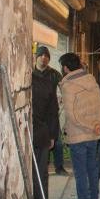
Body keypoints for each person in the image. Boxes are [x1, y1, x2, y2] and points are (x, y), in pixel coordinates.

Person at [58, 52, 100, 199]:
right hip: (93, 135)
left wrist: (92, 126)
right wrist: (98, 124)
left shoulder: (68, 86)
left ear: (65, 68)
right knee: (92, 168)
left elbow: (72, 116)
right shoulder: (91, 80)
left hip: (78, 135)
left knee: (80, 172)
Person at [31, 69, 59, 199]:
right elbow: (53, 113)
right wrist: (52, 135)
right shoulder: (46, 84)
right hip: (42, 134)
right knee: (40, 174)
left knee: (36, 174)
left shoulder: (29, 83)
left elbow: (52, 112)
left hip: (35, 134)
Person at [33, 46, 68, 176]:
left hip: (51, 113)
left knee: (57, 142)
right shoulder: (30, 73)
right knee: (39, 144)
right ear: (36, 57)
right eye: (41, 55)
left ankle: (59, 167)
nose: (44, 58)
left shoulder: (54, 74)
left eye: (46, 56)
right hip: (36, 114)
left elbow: (64, 88)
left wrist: (62, 99)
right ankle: (40, 168)